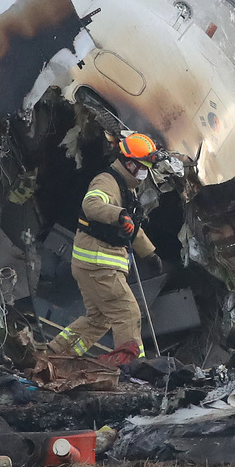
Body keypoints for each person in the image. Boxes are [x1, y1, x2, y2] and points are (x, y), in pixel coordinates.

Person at [47, 131, 163, 367]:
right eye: (142, 168)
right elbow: (91, 205)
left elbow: (133, 228)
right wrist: (117, 214)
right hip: (99, 264)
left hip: (92, 264)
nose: (144, 174)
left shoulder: (126, 189)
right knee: (128, 313)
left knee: (98, 320)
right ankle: (131, 369)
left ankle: (56, 354)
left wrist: (149, 253)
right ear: (129, 164)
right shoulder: (106, 182)